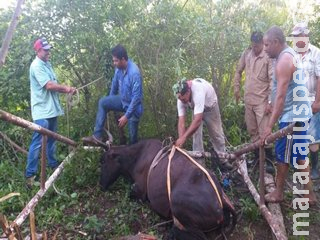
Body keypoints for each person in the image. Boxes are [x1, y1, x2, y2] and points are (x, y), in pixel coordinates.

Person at [261, 26, 317, 204]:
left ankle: (278, 193)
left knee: (282, 155)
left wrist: (269, 126)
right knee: (300, 155)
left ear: (276, 42)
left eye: (267, 44)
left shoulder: (285, 60)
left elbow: (281, 96)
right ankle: (310, 195)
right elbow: (279, 91)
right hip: (300, 114)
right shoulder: (288, 54)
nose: (265, 48)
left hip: (293, 118)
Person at [26, 37, 76, 188]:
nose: (48, 52)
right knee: (38, 142)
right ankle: (30, 176)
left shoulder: (47, 64)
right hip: (42, 112)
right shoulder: (36, 66)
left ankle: (53, 165)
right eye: (46, 50)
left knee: (52, 139)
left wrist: (67, 89)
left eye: (49, 49)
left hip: (51, 109)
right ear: (38, 50)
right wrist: (66, 88)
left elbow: (53, 84)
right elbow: (48, 85)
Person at [82, 44, 143, 146]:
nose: (114, 63)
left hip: (134, 108)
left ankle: (133, 153)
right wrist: (111, 104)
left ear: (123, 59)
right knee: (103, 102)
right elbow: (114, 86)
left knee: (133, 140)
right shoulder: (118, 69)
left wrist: (126, 116)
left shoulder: (134, 73)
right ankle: (97, 137)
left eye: (116, 61)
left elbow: (136, 98)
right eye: (113, 60)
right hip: (123, 101)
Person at [234, 31, 274, 173]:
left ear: (263, 44)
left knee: (265, 133)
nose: (255, 49)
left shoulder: (268, 57)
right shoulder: (247, 54)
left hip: (262, 101)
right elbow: (238, 71)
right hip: (248, 100)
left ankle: (269, 161)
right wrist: (236, 88)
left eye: (257, 46)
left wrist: (270, 102)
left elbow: (272, 80)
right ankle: (257, 158)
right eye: (253, 46)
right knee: (252, 131)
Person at [291, 22, 320, 180]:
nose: (296, 39)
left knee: (313, 137)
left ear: (305, 36)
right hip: (296, 102)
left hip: (311, 101)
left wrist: (317, 102)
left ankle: (314, 168)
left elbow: (319, 77)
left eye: (298, 36)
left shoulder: (316, 53)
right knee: (299, 135)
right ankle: (301, 166)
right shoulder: (292, 54)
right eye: (294, 36)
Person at [172, 78, 226, 154]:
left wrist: (184, 137)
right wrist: (181, 140)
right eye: (180, 99)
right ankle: (198, 159)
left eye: (183, 99)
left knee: (216, 134)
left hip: (210, 107)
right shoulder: (180, 98)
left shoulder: (198, 92)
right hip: (197, 108)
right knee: (196, 134)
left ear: (188, 92)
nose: (182, 101)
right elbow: (181, 122)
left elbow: (197, 121)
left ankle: (223, 157)